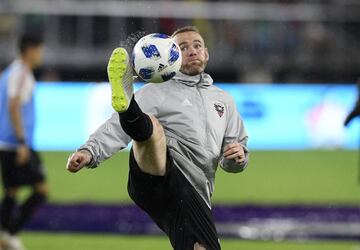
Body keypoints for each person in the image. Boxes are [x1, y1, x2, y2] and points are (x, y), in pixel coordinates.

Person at [67, 26, 249, 250]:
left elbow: (234, 157)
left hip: (193, 193)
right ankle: (128, 106)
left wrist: (237, 157)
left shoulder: (224, 100)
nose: (192, 51)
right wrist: (89, 151)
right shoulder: (157, 91)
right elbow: (115, 128)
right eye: (182, 48)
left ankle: (130, 109)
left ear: (206, 53)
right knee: (152, 128)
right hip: (156, 175)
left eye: (197, 45)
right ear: (170, 56)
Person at [0, 34, 48, 250]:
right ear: (30, 49)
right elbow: (13, 106)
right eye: (40, 49)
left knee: (12, 191)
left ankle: (4, 235)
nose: (41, 54)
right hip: (17, 144)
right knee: (41, 190)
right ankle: (11, 233)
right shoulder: (21, 74)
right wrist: (21, 142)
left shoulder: (10, 71)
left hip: (7, 142)